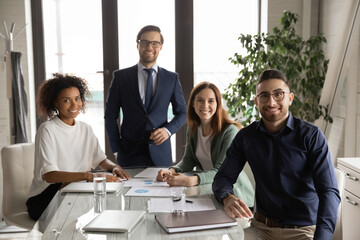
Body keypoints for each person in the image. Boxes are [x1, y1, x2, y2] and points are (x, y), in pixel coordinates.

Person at [212, 69, 340, 240]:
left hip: (302, 231)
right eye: (264, 96)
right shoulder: (246, 137)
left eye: (278, 94)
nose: (271, 102)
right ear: (257, 101)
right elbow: (222, 178)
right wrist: (227, 197)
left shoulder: (312, 136)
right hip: (260, 229)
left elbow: (329, 192)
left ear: (290, 98)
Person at [26, 73, 131, 221]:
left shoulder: (85, 128)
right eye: (66, 100)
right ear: (55, 103)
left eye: (77, 99)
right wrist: (90, 176)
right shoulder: (47, 129)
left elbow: (100, 159)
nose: (74, 105)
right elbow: (50, 176)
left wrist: (114, 167)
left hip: (75, 190)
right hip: (45, 198)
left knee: (109, 204)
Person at [156, 82, 254, 208]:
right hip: (210, 190)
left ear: (218, 104)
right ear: (193, 103)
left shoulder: (230, 131)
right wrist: (170, 171)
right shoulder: (193, 129)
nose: (205, 105)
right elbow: (188, 161)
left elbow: (222, 170)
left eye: (211, 101)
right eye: (200, 100)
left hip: (235, 197)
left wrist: (192, 180)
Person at [105, 25, 187, 168]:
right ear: (138, 45)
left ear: (161, 47)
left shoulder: (171, 79)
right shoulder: (121, 77)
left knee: (161, 190)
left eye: (155, 43)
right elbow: (110, 116)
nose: (149, 47)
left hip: (161, 153)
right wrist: (116, 148)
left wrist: (168, 131)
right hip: (129, 153)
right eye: (145, 42)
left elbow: (182, 112)